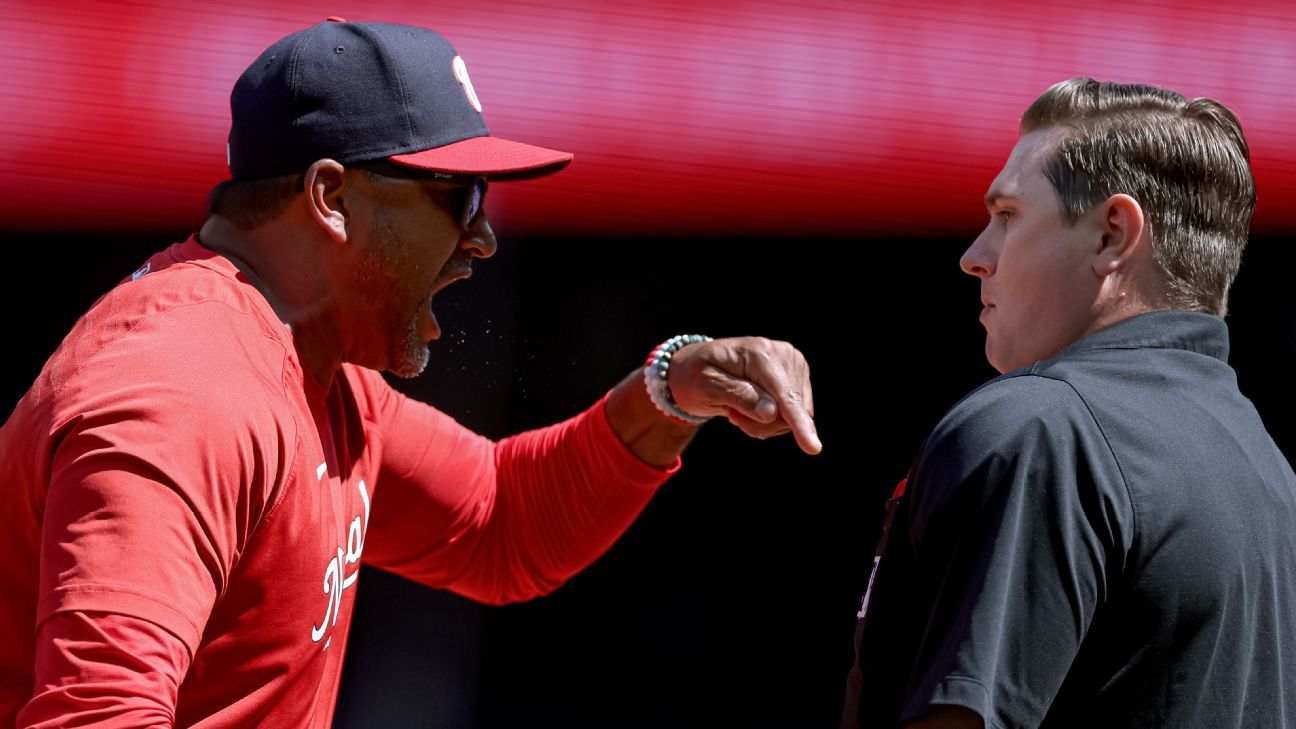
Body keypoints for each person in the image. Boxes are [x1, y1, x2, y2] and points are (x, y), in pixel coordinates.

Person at [0, 19, 821, 727]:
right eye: (458, 196)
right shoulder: (180, 395)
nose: (482, 239)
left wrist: (671, 389)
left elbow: (502, 523)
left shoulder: (308, 360)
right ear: (331, 196)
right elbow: (97, 713)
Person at [841, 78, 1296, 728]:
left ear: (1113, 235)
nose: (975, 256)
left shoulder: (1040, 428)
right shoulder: (1268, 467)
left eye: (1008, 215)